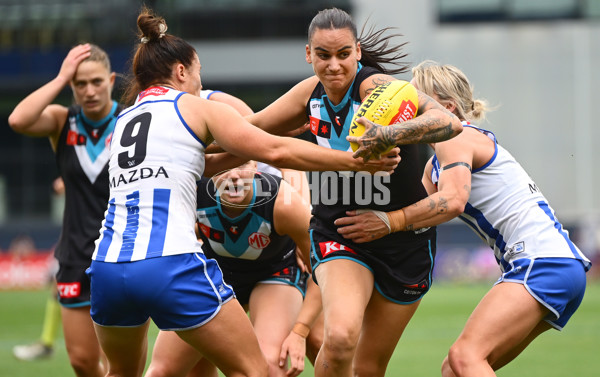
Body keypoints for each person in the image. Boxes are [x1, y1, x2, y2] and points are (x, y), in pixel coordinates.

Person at [86, 7, 399, 377]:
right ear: (182, 71)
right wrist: (353, 161)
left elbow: (195, 166)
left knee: (123, 372)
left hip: (107, 266)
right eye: (198, 73)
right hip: (169, 263)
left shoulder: (121, 121)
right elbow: (274, 152)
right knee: (254, 370)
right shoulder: (194, 106)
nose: (200, 83)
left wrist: (271, 138)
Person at [336, 60, 592, 376]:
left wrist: (391, 221)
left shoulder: (456, 138)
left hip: (543, 262)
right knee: (454, 370)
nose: (408, 112)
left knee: (464, 358)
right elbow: (417, 213)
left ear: (447, 108)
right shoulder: (435, 166)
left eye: (416, 102)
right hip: (556, 265)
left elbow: (451, 202)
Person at [244, 8, 463, 377]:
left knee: (370, 366)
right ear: (308, 54)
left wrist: (388, 134)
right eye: (323, 55)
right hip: (340, 235)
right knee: (341, 337)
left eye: (343, 54)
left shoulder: (379, 90)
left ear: (358, 52)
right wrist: (192, 144)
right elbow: (247, 132)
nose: (333, 65)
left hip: (404, 245)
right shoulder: (308, 94)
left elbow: (448, 121)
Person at [146, 160, 324, 377]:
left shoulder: (282, 202)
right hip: (218, 274)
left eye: (241, 165)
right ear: (208, 169)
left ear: (256, 167)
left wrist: (300, 331)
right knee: (162, 371)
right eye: (223, 167)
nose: (233, 176)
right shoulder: (192, 192)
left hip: (275, 273)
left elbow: (322, 273)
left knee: (269, 366)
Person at [8, 43, 122, 376]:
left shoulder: (130, 120)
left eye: (97, 81)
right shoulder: (63, 121)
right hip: (74, 254)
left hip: (120, 253)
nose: (89, 91)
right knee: (83, 362)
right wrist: (60, 78)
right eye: (80, 83)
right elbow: (18, 119)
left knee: (120, 362)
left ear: (112, 79)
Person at [13, 179, 64, 361]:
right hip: (81, 232)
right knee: (60, 284)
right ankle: (47, 342)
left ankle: (48, 342)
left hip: (95, 231)